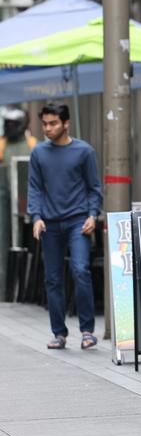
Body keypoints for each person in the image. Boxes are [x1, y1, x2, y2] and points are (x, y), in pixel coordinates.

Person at [27, 103, 103, 350]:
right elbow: (35, 188)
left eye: (53, 123)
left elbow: (94, 188)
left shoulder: (84, 152)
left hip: (77, 221)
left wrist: (93, 214)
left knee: (81, 271)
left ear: (66, 123)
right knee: (52, 279)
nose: (48, 128)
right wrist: (36, 216)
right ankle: (59, 333)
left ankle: (87, 330)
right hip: (49, 223)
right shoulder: (38, 153)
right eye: (45, 124)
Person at [0, 107, 38, 298]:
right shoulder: (2, 144)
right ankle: (5, 291)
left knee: (31, 244)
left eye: (14, 123)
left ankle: (27, 290)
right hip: (4, 203)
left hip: (28, 201)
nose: (10, 127)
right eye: (8, 123)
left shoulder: (32, 144)